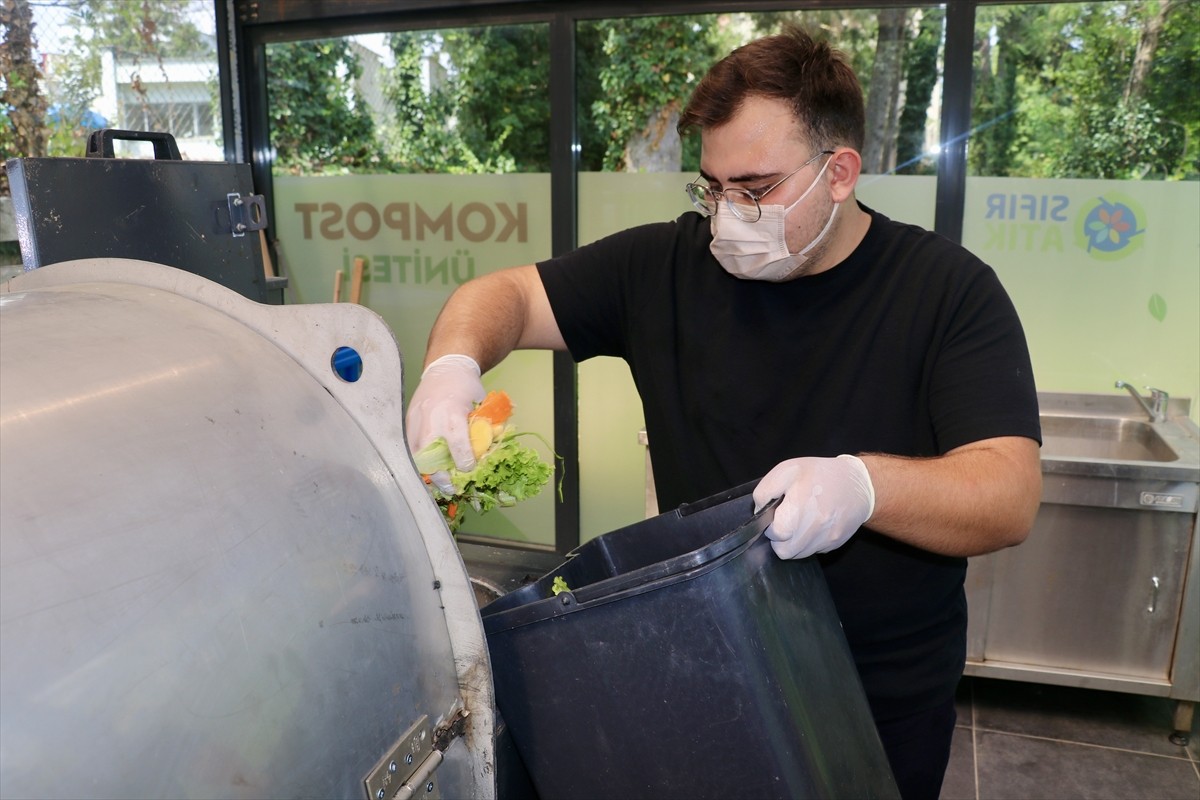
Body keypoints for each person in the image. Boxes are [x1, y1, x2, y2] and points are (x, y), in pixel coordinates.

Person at [405, 23, 1042, 800]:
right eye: (712, 188)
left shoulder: (946, 292)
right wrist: (453, 363)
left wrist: (864, 486)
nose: (726, 214)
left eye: (755, 190)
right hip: (701, 665)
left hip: (875, 699)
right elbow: (500, 296)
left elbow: (1006, 494)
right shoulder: (664, 267)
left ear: (839, 173)